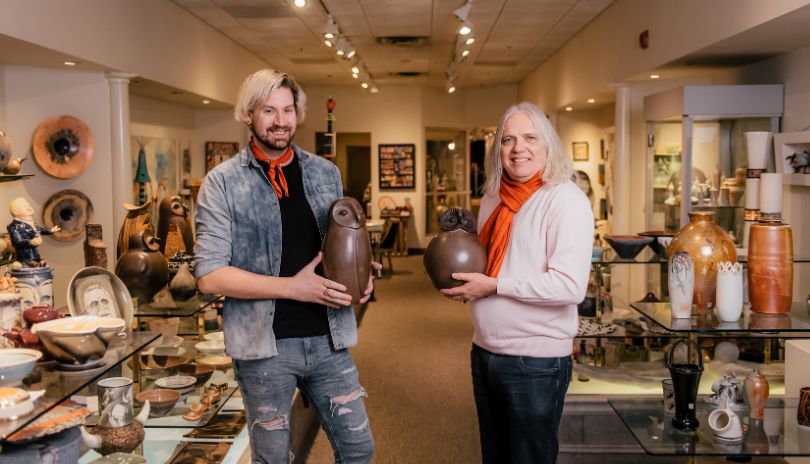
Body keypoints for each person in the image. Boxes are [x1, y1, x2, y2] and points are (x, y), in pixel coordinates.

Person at [194, 69, 377, 464]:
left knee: (360, 449)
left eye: (288, 110)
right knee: (274, 458)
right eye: (268, 110)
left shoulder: (325, 173)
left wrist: (361, 272)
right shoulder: (221, 183)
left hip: (329, 339)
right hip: (265, 349)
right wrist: (293, 287)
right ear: (248, 114)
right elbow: (209, 276)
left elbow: (338, 245)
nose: (281, 121)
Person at [442, 102, 593, 463]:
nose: (517, 148)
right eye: (507, 139)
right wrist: (466, 278)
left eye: (529, 137)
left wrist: (493, 286)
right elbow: (491, 263)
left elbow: (569, 286)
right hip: (485, 352)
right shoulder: (493, 197)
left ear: (548, 145)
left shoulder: (565, 200)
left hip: (535, 362)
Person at [7, 197, 59, 267]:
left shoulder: (30, 223)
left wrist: (50, 231)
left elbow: (39, 230)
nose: (29, 207)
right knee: (28, 262)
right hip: (24, 255)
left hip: (34, 252)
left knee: (36, 259)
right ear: (15, 211)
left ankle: (38, 261)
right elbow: (17, 241)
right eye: (25, 206)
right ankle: (27, 263)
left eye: (28, 205)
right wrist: (31, 242)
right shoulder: (14, 226)